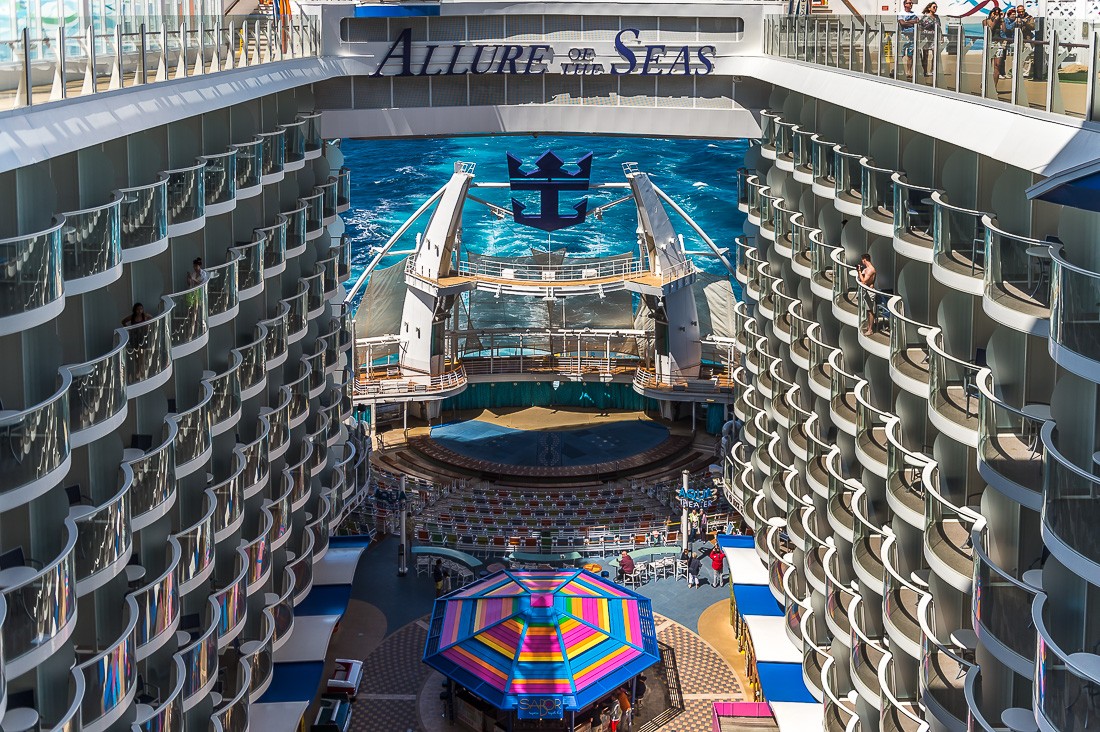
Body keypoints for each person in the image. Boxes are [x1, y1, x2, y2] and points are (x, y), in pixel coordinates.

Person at [918, 2, 942, 76]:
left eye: (936, 7)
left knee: (935, 54)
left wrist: (941, 36)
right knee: (925, 55)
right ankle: (925, 71)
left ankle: (933, 70)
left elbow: (939, 27)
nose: (935, 8)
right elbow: (920, 27)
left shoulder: (937, 17)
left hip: (934, 38)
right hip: (926, 37)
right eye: (934, 7)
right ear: (929, 8)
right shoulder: (925, 17)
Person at [898, 0, 920, 77]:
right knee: (901, 54)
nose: (910, 4)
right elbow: (902, 23)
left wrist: (907, 22)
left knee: (910, 55)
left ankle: (909, 71)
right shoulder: (901, 13)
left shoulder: (914, 13)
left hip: (912, 36)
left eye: (911, 3)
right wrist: (912, 22)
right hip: (904, 36)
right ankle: (898, 70)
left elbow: (917, 21)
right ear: (905, 4)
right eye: (909, 3)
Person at [857, 253, 877, 335]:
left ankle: (870, 330)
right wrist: (860, 272)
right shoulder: (866, 269)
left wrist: (859, 271)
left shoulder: (870, 270)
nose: (862, 261)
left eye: (862, 260)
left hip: (870, 291)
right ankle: (869, 327)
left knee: (870, 311)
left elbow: (864, 281)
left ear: (864, 260)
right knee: (868, 310)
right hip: (867, 291)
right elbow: (861, 278)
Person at [984, 8, 1006, 80]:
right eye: (994, 13)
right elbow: (989, 30)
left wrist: (1002, 19)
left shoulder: (1000, 22)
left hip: (998, 44)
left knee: (997, 65)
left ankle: (994, 84)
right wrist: (994, 21)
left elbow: (1004, 30)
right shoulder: (985, 21)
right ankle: (985, 82)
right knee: (988, 64)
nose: (996, 15)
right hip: (989, 43)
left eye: (997, 13)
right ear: (991, 13)